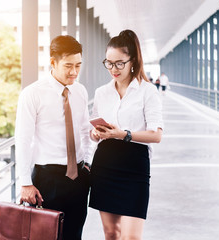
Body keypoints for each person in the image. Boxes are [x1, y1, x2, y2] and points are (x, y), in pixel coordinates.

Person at [89, 29, 164, 240]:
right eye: (109, 63)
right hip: (105, 164)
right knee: (111, 233)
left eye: (119, 63)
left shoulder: (148, 92)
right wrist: (96, 133)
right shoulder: (102, 93)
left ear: (133, 61)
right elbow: (94, 133)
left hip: (135, 167)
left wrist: (124, 134)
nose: (114, 68)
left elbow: (156, 135)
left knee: (131, 237)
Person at [15, 35, 92, 240]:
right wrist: (25, 182)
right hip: (47, 180)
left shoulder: (81, 91)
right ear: (52, 62)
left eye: (78, 65)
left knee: (74, 235)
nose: (74, 72)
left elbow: (85, 130)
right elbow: (22, 139)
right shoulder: (32, 94)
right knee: (45, 237)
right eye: (68, 65)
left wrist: (88, 163)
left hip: (78, 178)